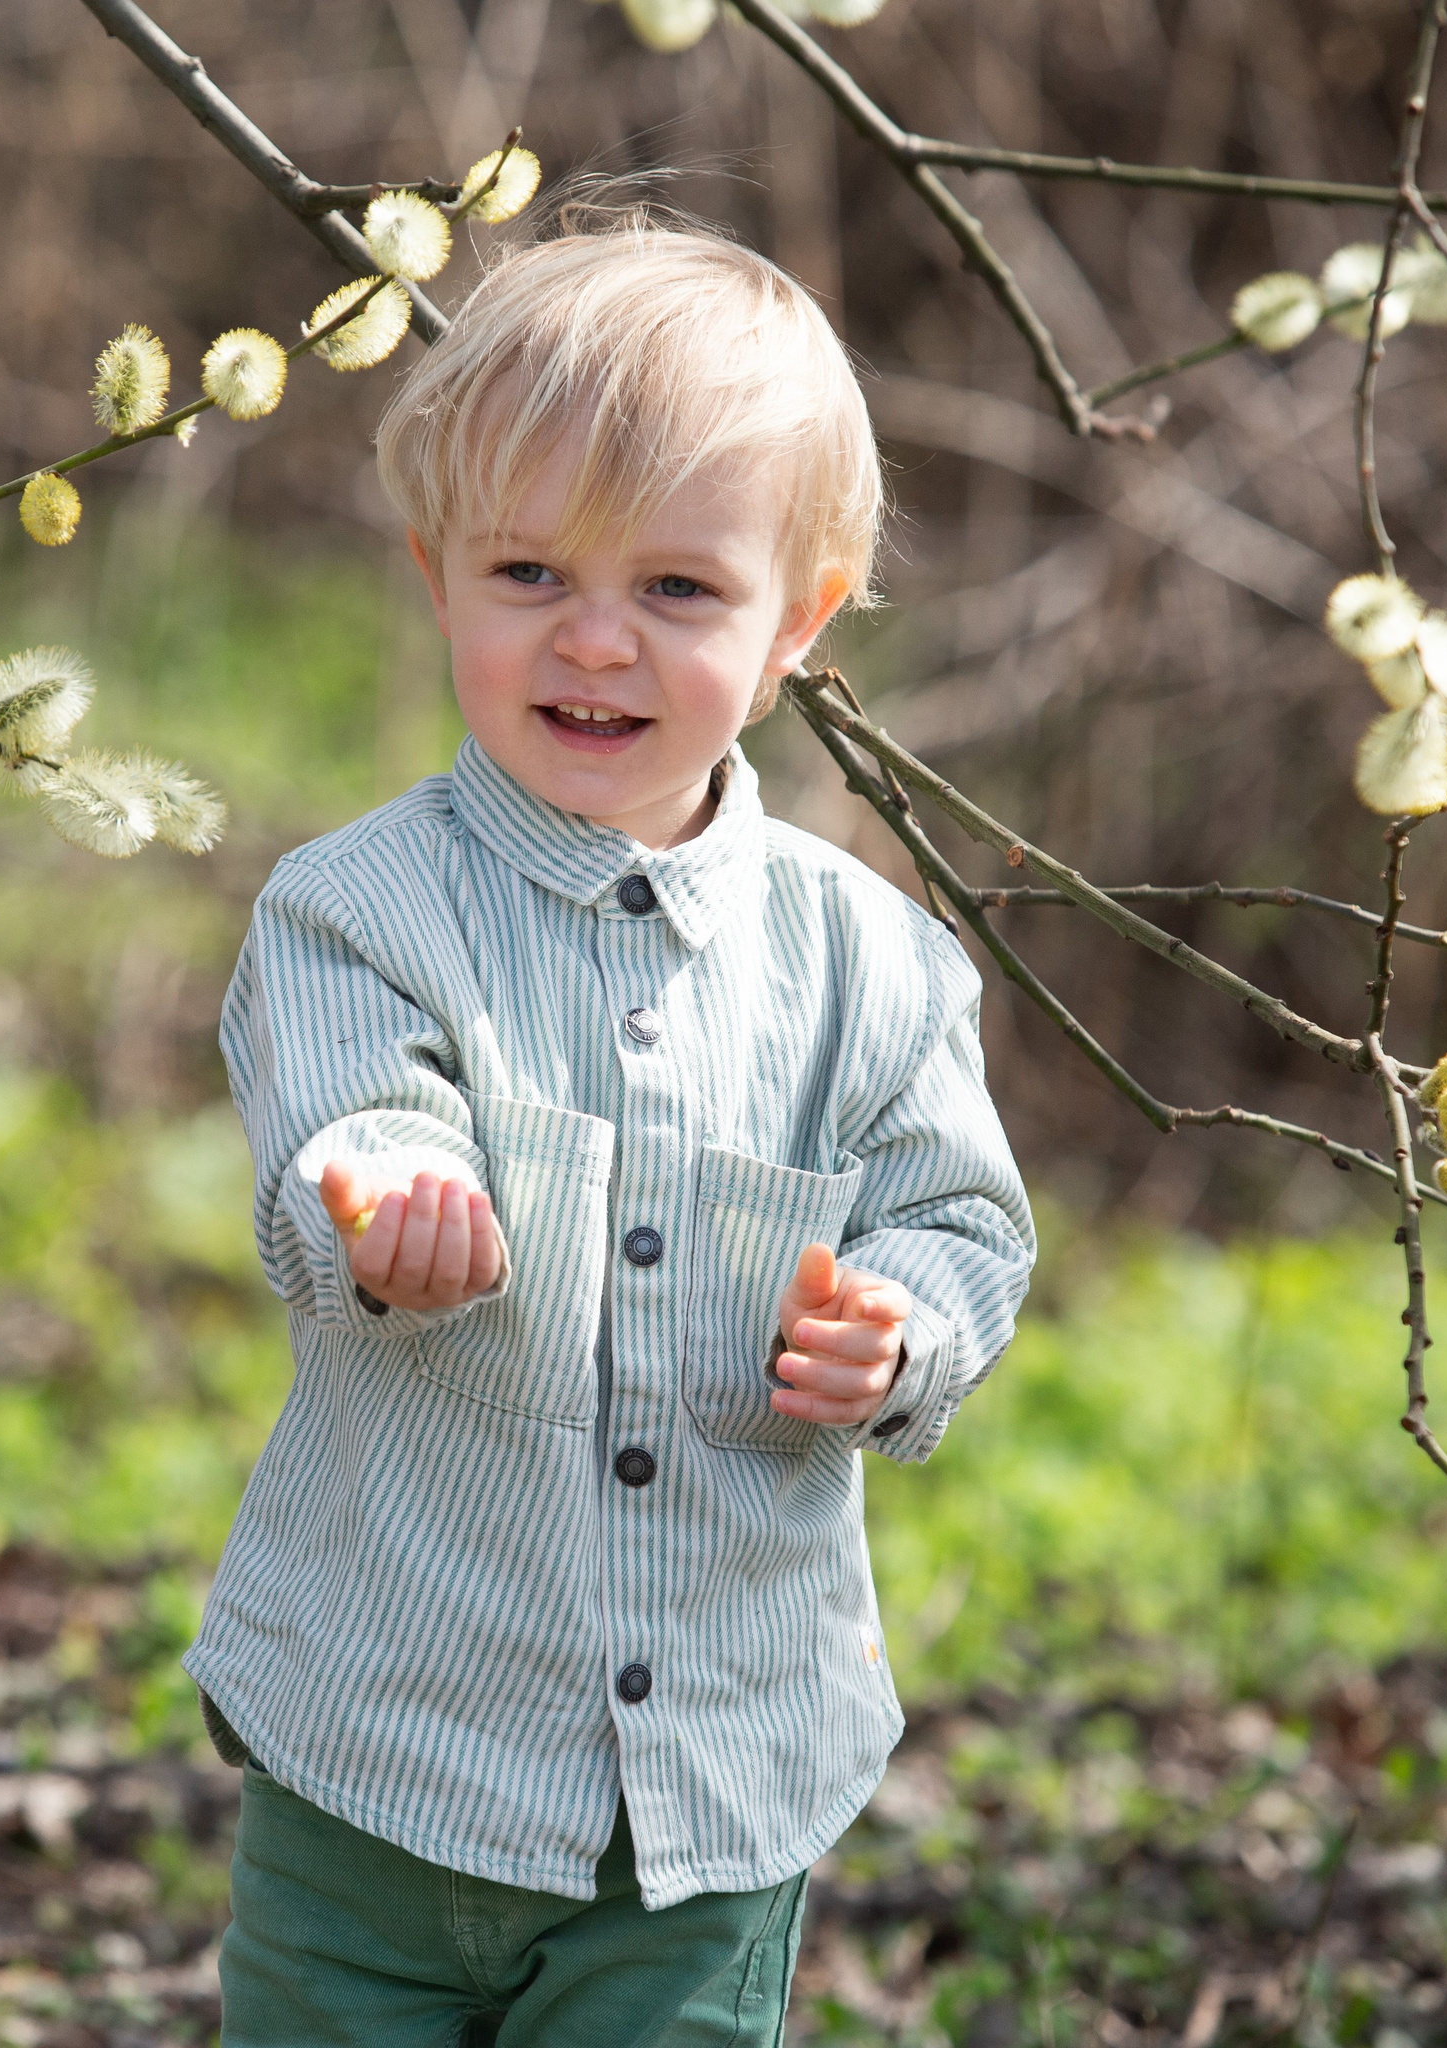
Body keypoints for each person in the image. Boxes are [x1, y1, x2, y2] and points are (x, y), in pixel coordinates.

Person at [190, 210, 1036, 2045]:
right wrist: (388, 1187)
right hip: (379, 1762)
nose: (595, 640)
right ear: (435, 577)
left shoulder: (870, 966)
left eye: (677, 589)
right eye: (527, 573)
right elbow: (350, 1101)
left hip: (711, 1796)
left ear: (795, 624)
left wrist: (899, 1325)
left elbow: (956, 1219)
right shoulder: (357, 909)